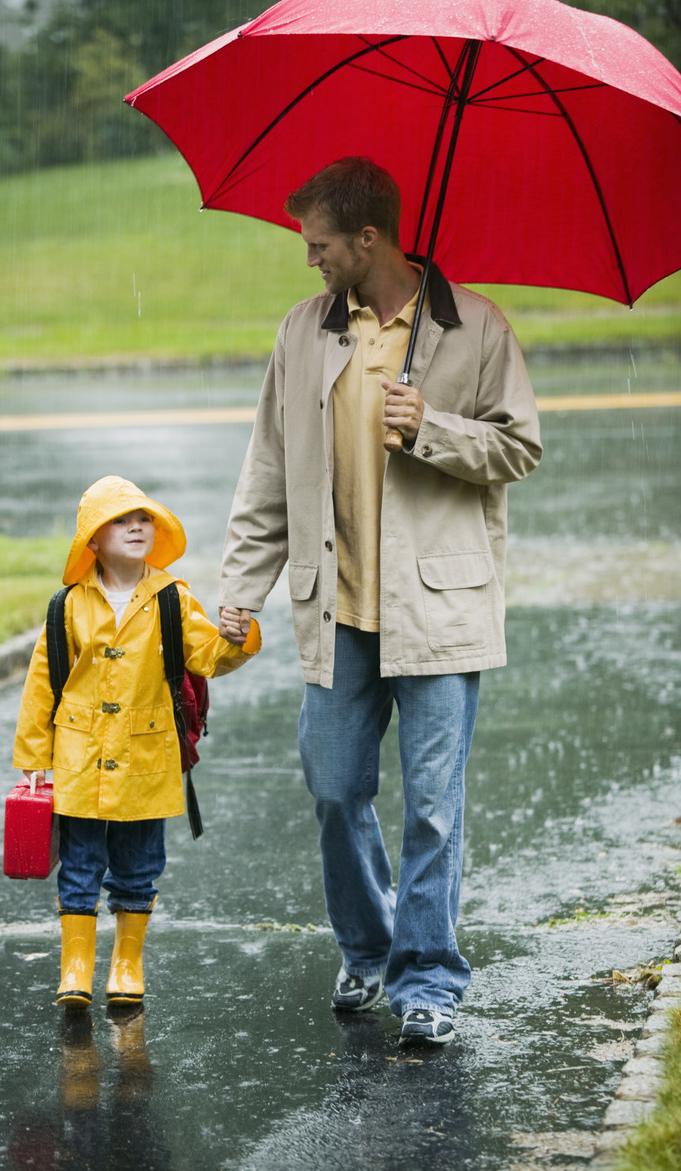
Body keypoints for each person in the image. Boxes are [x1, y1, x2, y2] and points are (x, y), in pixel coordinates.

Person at [218, 157, 542, 1045]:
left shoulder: (476, 326)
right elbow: (269, 474)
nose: (309, 259)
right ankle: (369, 947)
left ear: (369, 238)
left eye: (320, 244)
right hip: (337, 610)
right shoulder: (301, 331)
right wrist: (236, 597)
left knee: (434, 805)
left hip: (440, 611)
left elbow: (520, 448)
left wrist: (428, 427)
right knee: (333, 785)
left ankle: (429, 977)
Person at [14, 475, 260, 1009]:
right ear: (93, 542)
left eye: (143, 518)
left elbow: (209, 658)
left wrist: (237, 637)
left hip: (147, 758)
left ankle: (127, 963)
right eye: (119, 521)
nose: (135, 527)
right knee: (79, 864)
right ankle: (75, 966)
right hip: (78, 757)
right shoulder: (68, 606)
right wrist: (33, 759)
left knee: (140, 865)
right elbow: (42, 685)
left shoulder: (173, 600)